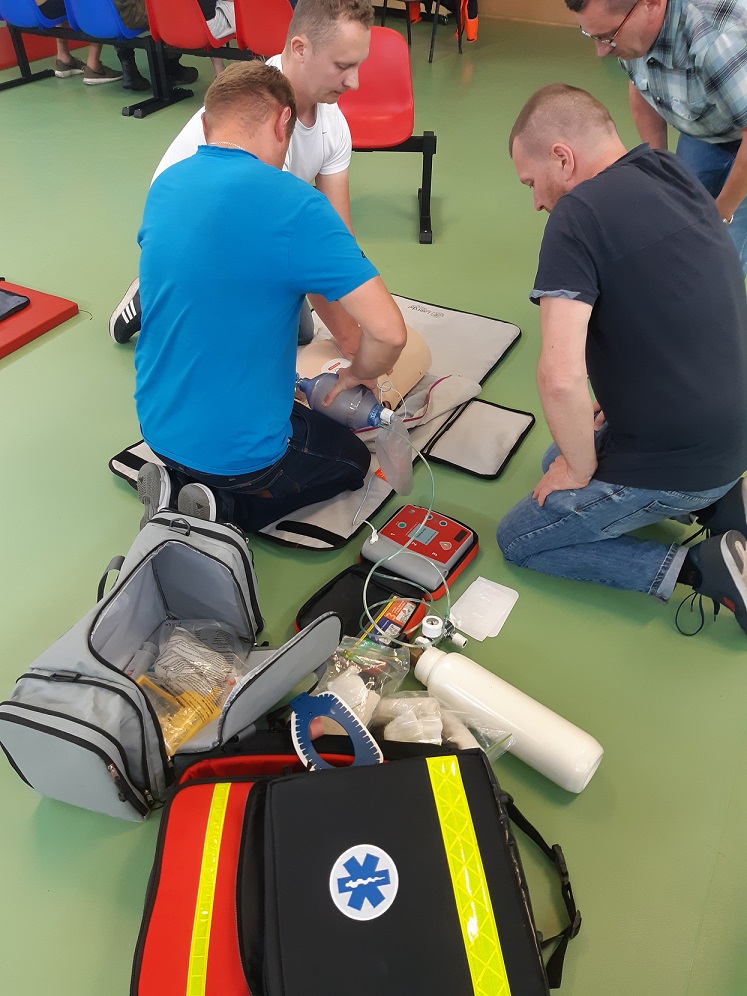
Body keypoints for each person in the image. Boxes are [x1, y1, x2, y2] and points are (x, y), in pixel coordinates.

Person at [496, 83, 747, 635]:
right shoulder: (669, 169)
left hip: (684, 460)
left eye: (532, 183)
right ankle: (719, 504)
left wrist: (579, 469)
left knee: (520, 536)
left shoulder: (576, 216)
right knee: (555, 456)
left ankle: (700, 568)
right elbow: (677, 301)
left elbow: (560, 378)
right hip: (728, 431)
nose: (536, 202)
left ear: (562, 158)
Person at [134, 61, 406, 534]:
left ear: (206, 124)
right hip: (242, 458)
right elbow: (389, 333)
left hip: (155, 429)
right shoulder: (296, 204)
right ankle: (224, 510)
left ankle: (178, 483)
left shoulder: (165, 186)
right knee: (351, 461)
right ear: (284, 123)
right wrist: (358, 372)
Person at [109, 0, 374, 347]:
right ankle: (153, 289)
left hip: (246, 221)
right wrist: (356, 343)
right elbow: (302, 248)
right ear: (300, 48)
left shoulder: (332, 123)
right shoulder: (257, 119)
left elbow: (338, 238)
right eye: (343, 66)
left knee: (301, 332)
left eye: (358, 65)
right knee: (250, 337)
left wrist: (366, 317)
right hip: (189, 234)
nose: (355, 82)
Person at [565, 0, 747, 275]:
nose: (601, 51)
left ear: (651, 4)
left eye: (608, 37)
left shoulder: (715, 42)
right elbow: (642, 88)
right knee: (681, 216)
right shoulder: (630, 35)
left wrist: (720, 213)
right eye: (592, 36)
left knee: (724, 257)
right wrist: (661, 171)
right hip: (712, 124)